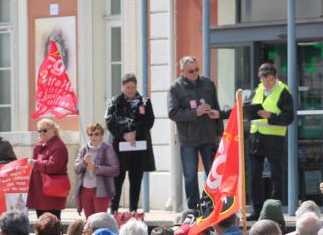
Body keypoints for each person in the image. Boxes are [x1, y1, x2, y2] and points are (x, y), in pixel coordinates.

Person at [168, 56, 223, 210]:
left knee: (213, 173)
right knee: (190, 176)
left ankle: (212, 205)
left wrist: (219, 130)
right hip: (188, 138)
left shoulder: (208, 83)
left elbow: (217, 107)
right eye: (191, 71)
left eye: (196, 70)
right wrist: (195, 113)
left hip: (208, 135)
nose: (194, 73)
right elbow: (173, 113)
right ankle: (194, 208)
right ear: (183, 71)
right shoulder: (175, 88)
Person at [245, 63, 295, 220]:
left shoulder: (284, 91)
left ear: (275, 77)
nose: (265, 82)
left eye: (268, 78)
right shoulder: (258, 90)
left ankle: (274, 210)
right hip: (256, 137)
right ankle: (257, 209)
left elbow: (289, 117)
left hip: (274, 138)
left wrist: (271, 116)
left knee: (276, 175)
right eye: (262, 78)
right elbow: (249, 109)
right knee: (254, 175)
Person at [105, 73, 156, 213]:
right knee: (117, 179)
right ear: (122, 87)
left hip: (138, 146)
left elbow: (149, 120)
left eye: (133, 87)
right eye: (128, 87)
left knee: (136, 179)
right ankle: (113, 210)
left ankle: (133, 210)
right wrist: (124, 134)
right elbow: (110, 122)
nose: (131, 90)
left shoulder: (145, 101)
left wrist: (135, 133)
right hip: (119, 146)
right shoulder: (113, 102)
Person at [73, 123, 120, 217]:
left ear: (101, 135)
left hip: (101, 191)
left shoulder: (108, 148)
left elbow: (115, 170)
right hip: (85, 190)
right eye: (91, 134)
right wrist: (84, 162)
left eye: (96, 134)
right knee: (89, 220)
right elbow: (76, 169)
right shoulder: (84, 149)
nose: (93, 137)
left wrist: (96, 168)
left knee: (100, 220)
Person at [27, 118, 69, 219]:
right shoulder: (40, 146)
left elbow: (53, 166)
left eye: (45, 130)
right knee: (42, 224)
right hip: (41, 193)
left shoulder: (58, 146)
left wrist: (36, 164)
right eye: (39, 131)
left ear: (54, 131)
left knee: (52, 224)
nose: (41, 133)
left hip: (51, 194)